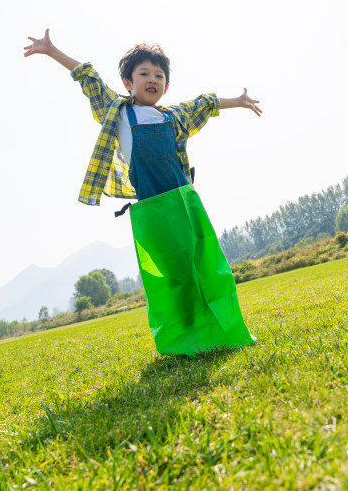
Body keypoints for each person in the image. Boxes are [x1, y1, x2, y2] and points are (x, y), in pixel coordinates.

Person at [24, 29, 259, 356]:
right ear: (128, 84)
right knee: (175, 278)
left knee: (208, 266)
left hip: (187, 202)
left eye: (159, 75)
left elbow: (205, 103)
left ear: (166, 86)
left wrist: (239, 101)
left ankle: (227, 329)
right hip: (154, 210)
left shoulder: (173, 116)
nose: (152, 79)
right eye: (144, 74)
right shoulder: (119, 114)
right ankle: (185, 340)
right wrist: (51, 50)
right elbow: (88, 77)